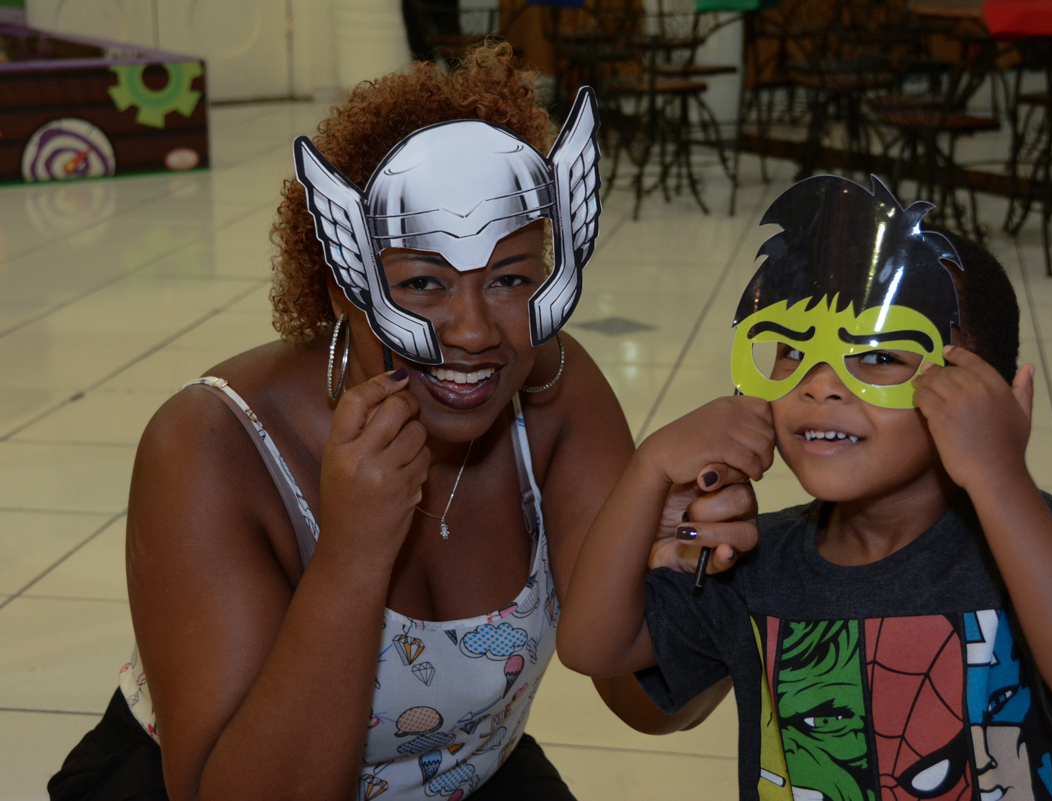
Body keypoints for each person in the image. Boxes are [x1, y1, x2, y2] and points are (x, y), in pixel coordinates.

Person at [48, 44, 744, 801]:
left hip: (466, 774)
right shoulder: (211, 445)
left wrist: (697, 584)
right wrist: (351, 555)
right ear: (342, 283)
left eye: (510, 279)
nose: (475, 331)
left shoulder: (553, 394)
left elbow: (641, 695)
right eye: (422, 284)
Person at [558, 175, 1052, 801]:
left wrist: (1002, 476)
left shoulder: (1028, 545)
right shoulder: (754, 563)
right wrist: (649, 469)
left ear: (994, 398)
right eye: (791, 349)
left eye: (881, 355)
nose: (821, 384)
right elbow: (592, 646)